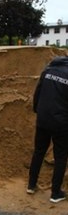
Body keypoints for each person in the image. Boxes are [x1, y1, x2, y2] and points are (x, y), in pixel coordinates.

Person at [27, 56, 68, 203]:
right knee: (61, 157)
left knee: (39, 151)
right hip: (61, 123)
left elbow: (37, 92)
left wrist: (37, 110)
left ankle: (31, 185)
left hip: (43, 119)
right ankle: (55, 193)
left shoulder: (48, 69)